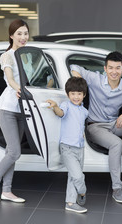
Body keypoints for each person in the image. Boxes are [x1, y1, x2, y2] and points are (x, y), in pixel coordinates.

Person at [70, 51, 122, 204]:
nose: (114, 72)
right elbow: (75, 66)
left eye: (118, 68)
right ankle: (117, 189)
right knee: (116, 143)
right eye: (111, 68)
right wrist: (79, 83)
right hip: (95, 126)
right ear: (105, 69)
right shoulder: (95, 79)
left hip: (114, 124)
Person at [0, 19, 30, 203]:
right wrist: (19, 88)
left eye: (25, 33)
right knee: (15, 152)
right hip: (8, 109)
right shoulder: (8, 55)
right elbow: (10, 79)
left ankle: (7, 191)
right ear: (11, 35)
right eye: (19, 33)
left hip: (22, 109)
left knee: (11, 151)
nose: (23, 37)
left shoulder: (26, 55)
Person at [47, 77, 88, 213]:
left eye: (79, 94)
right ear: (68, 94)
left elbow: (80, 124)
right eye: (73, 93)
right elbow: (61, 114)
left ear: (84, 95)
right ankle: (82, 192)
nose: (76, 97)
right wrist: (55, 107)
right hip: (67, 147)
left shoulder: (84, 111)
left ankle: (70, 203)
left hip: (80, 148)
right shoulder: (66, 105)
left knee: (73, 176)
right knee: (78, 176)